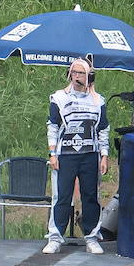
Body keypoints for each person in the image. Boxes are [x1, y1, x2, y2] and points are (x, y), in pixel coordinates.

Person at [44, 56, 109, 255]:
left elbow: (104, 129)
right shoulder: (59, 98)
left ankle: (91, 237)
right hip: (66, 155)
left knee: (91, 196)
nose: (76, 76)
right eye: (74, 72)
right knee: (62, 196)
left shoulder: (98, 100)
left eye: (81, 73)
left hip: (90, 155)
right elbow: (53, 126)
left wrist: (104, 155)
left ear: (90, 77)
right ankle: (55, 237)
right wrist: (52, 154)